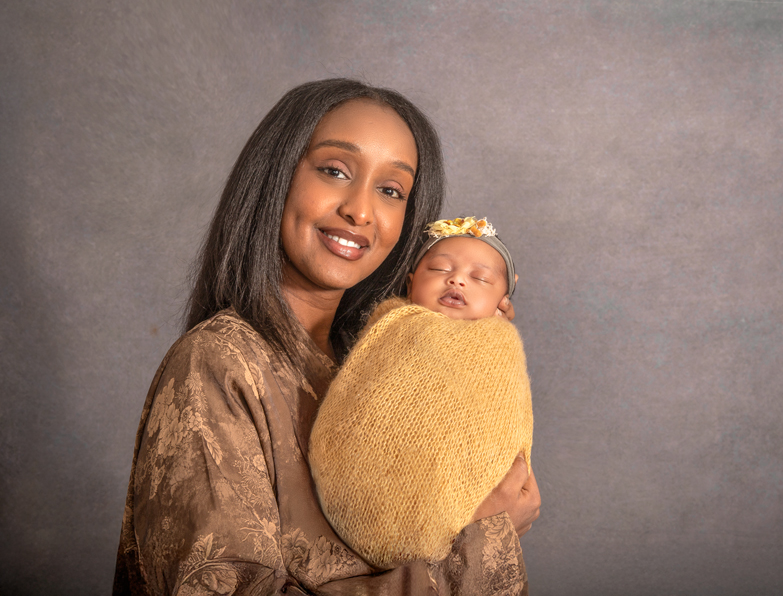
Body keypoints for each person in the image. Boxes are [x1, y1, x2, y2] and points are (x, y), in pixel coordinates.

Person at [112, 79, 540, 596]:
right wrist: (479, 548)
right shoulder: (219, 363)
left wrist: (473, 351)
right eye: (335, 171)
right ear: (276, 178)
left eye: (391, 191)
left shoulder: (373, 361)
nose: (360, 211)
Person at [310, 216, 533, 570]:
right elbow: (365, 398)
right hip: (362, 495)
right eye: (440, 269)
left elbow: (501, 417)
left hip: (458, 513)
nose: (457, 279)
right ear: (411, 283)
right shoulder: (394, 328)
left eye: (480, 278)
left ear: (503, 301)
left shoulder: (497, 347)